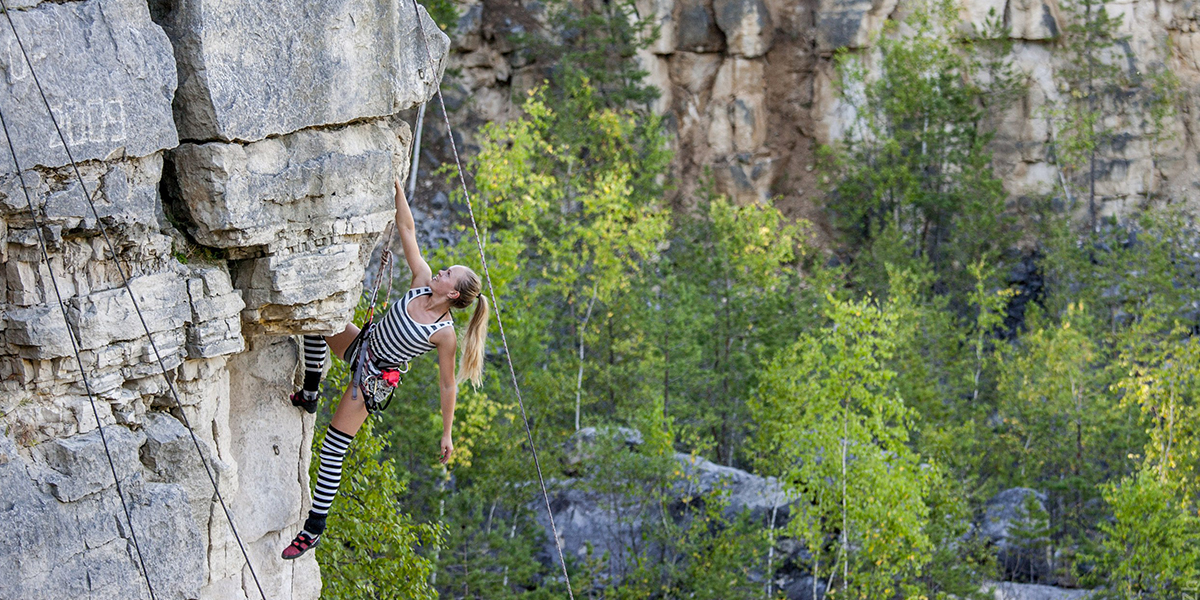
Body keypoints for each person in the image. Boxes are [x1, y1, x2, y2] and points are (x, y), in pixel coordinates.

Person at [282, 177, 489, 560]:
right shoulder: (421, 283)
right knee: (318, 318)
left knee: (333, 448)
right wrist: (396, 188)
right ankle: (311, 391)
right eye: (442, 269)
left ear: (454, 294)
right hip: (361, 344)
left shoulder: (443, 334)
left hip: (373, 377)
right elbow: (407, 230)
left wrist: (447, 433)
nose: (439, 272)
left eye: (447, 274)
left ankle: (314, 528)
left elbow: (448, 386)